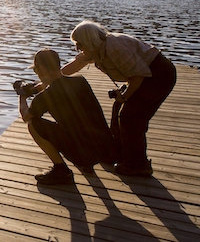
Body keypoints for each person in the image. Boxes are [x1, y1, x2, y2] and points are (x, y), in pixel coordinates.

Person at [62, 21, 177, 176]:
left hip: (159, 75)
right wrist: (48, 79)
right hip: (142, 74)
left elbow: (139, 75)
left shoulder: (114, 47)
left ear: (89, 40)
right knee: (118, 108)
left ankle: (138, 165)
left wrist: (125, 96)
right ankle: (118, 153)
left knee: (130, 116)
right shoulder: (95, 49)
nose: (77, 47)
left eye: (79, 43)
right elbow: (74, 66)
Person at [17, 49, 113, 185]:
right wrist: (43, 86)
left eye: (36, 70)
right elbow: (62, 89)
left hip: (85, 154)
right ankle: (87, 163)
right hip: (106, 149)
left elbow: (26, 117)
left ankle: (61, 170)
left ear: (41, 68)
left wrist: (22, 96)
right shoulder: (80, 81)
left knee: (33, 124)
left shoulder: (45, 97)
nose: (36, 73)